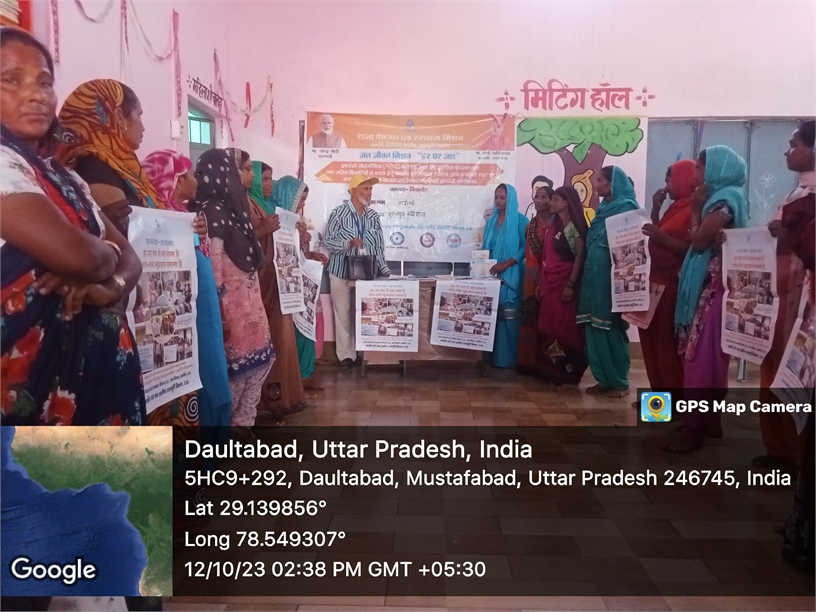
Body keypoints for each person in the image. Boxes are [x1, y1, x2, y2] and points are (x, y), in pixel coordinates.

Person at [0, 27, 145, 425]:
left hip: (100, 378)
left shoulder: (65, 177)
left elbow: (131, 261)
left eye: (44, 82)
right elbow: (79, 256)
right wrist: (106, 255)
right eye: (11, 80)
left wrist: (110, 286)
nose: (35, 95)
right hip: (31, 394)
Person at [57, 79, 203, 428]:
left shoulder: (124, 168)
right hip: (114, 308)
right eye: (138, 115)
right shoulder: (93, 168)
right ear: (117, 118)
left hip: (143, 301)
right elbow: (110, 234)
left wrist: (182, 228)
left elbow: (143, 223)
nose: (143, 126)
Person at [142, 149, 232, 431]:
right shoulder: (152, 224)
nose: (197, 181)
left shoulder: (185, 218)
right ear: (177, 181)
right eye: (192, 175)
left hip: (200, 311)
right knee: (198, 371)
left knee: (210, 366)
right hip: (178, 317)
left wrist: (199, 236)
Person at [669, 146, 748, 453]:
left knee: (700, 359)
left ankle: (694, 429)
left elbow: (699, 241)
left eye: (701, 169)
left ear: (717, 170)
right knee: (709, 358)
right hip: (710, 287)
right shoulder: (729, 198)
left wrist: (695, 210)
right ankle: (708, 421)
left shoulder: (722, 202)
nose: (697, 176)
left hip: (714, 289)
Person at [188, 148, 274, 427]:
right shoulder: (211, 211)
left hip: (249, 303)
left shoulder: (232, 208)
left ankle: (243, 421)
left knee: (261, 362)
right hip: (229, 306)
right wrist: (218, 310)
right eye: (238, 169)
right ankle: (229, 426)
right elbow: (212, 264)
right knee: (237, 369)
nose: (244, 176)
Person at [755, 119, 815, 470]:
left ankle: (795, 448)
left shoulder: (811, 197)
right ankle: (779, 447)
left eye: (794, 145)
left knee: (793, 367)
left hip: (801, 296)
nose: (786, 151)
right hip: (780, 292)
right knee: (773, 362)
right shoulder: (798, 193)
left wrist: (789, 231)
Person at [247, 162, 308, 419]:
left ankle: (285, 396)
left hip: (279, 283)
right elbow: (246, 242)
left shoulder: (268, 207)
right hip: (263, 285)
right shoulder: (248, 205)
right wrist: (264, 230)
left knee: (283, 341)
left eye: (271, 178)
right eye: (265, 178)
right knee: (267, 341)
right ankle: (265, 401)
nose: (270, 183)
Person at [576, 166, 639, 398]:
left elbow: (631, 248)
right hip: (594, 278)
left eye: (600, 180)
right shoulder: (603, 209)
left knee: (610, 326)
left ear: (612, 184)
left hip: (613, 279)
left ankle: (619, 382)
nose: (596, 185)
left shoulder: (627, 209)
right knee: (593, 325)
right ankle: (603, 379)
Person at [638, 160, 697, 395]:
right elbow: (657, 234)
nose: (666, 185)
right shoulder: (675, 208)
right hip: (654, 284)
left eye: (669, 179)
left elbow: (692, 248)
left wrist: (661, 238)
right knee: (650, 343)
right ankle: (658, 400)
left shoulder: (695, 210)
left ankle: (674, 402)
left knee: (666, 347)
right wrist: (655, 209)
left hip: (671, 286)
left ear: (682, 179)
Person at [325, 174, 391, 368]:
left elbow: (379, 246)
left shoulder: (373, 216)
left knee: (367, 313)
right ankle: (346, 356)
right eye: (365, 189)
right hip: (341, 271)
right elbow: (328, 241)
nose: (369, 193)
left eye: (371, 189)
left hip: (367, 273)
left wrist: (384, 270)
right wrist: (348, 244)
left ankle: (365, 354)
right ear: (353, 191)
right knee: (343, 315)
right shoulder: (339, 213)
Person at [272, 176, 329, 388]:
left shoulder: (294, 221)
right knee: (294, 331)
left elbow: (296, 255)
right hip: (283, 286)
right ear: (288, 196)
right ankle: (296, 376)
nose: (302, 204)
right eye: (300, 199)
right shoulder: (275, 219)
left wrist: (309, 253)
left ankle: (305, 373)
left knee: (306, 326)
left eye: (304, 199)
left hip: (299, 283)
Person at [536, 186, 589, 385]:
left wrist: (570, 284)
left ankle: (567, 373)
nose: (551, 202)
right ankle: (549, 370)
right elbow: (546, 258)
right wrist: (542, 282)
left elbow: (579, 258)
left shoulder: (572, 228)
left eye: (555, 199)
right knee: (547, 326)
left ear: (566, 203)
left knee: (563, 329)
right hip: (549, 285)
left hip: (564, 286)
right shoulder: (554, 224)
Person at [482, 183, 529, 368]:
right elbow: (485, 248)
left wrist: (506, 264)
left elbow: (525, 248)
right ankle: (490, 358)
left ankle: (507, 360)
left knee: (509, 317)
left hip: (511, 274)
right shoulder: (490, 222)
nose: (498, 201)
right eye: (496, 197)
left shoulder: (521, 220)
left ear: (511, 200)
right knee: (491, 315)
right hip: (491, 275)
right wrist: (479, 266)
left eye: (503, 197)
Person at [517, 184, 552, 375]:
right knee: (531, 318)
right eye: (536, 197)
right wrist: (539, 282)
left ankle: (550, 366)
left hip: (555, 279)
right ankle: (528, 363)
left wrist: (550, 279)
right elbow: (530, 257)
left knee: (551, 322)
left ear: (551, 200)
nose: (539, 201)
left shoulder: (560, 224)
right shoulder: (531, 227)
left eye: (544, 197)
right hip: (534, 280)